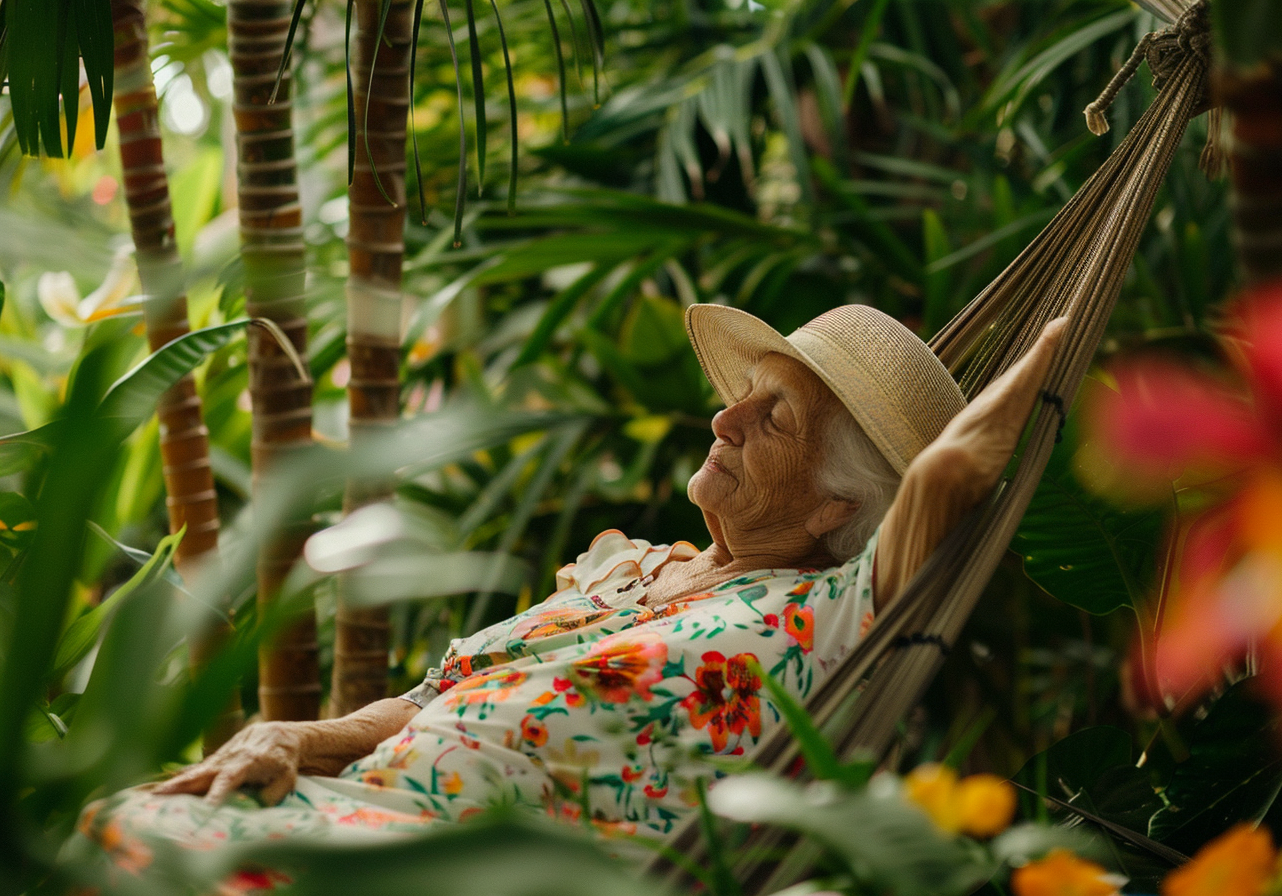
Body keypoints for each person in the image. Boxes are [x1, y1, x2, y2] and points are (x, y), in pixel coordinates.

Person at [76, 304, 1065, 868]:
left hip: (498, 869)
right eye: (742, 399)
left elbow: (945, 477)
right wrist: (294, 732)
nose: (725, 422)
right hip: (357, 803)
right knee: (119, 827)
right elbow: (432, 695)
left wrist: (1062, 335)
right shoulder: (624, 565)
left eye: (774, 421)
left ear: (831, 512)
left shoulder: (826, 615)